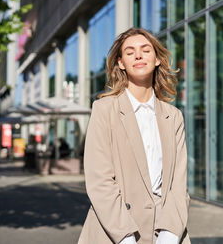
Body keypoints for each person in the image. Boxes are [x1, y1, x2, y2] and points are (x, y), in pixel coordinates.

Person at [78, 28, 190, 244]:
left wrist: (170, 235)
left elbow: (178, 183)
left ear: (157, 59)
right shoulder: (104, 110)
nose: (138, 55)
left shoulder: (173, 116)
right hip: (116, 231)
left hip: (165, 230)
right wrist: (125, 238)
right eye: (129, 52)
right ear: (121, 63)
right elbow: (99, 180)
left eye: (145, 50)